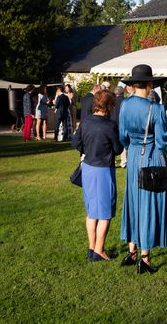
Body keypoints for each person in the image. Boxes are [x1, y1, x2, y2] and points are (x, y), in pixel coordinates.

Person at [118, 64, 167, 274]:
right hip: (151, 158)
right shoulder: (156, 109)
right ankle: (145, 258)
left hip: (132, 157)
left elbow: (122, 135)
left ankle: (132, 251)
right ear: (149, 84)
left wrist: (132, 147)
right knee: (148, 204)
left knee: (133, 201)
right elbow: (163, 140)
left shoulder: (124, 105)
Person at [72, 89, 124, 262]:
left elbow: (75, 142)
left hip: (87, 168)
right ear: (109, 106)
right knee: (105, 212)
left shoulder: (85, 121)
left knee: (92, 211)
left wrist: (87, 150)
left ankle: (91, 247)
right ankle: (99, 250)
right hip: (103, 171)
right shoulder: (110, 126)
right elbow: (118, 149)